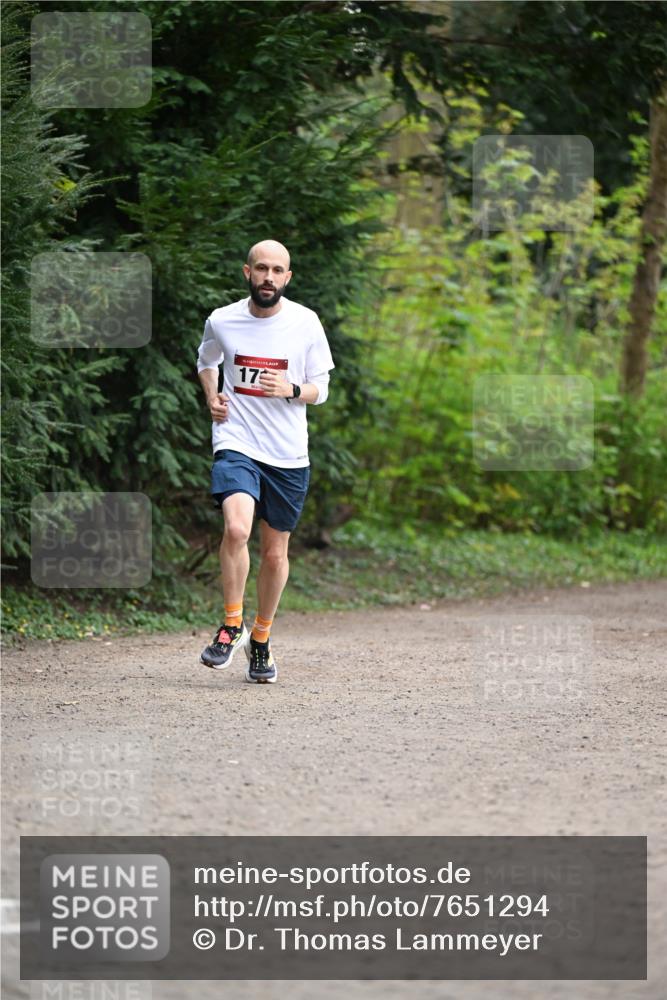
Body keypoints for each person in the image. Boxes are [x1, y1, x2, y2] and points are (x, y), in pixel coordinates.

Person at [196, 240, 334, 684]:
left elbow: (321, 387)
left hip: (288, 453)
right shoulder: (222, 319)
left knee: (275, 554)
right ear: (247, 272)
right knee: (236, 528)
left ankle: (261, 639)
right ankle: (231, 624)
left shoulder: (306, 323)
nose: (269, 277)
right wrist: (212, 395)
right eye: (261, 269)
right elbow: (206, 360)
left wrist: (292, 390)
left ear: (287, 277)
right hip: (237, 439)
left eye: (277, 270)